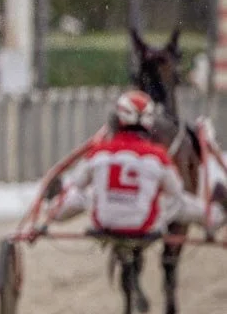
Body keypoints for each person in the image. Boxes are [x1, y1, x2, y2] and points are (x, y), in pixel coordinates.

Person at [45, 90, 221, 237]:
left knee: (80, 196)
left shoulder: (98, 152)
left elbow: (77, 183)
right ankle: (215, 217)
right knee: (179, 202)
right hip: (144, 225)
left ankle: (51, 210)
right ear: (149, 121)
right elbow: (175, 190)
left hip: (104, 222)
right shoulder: (158, 156)